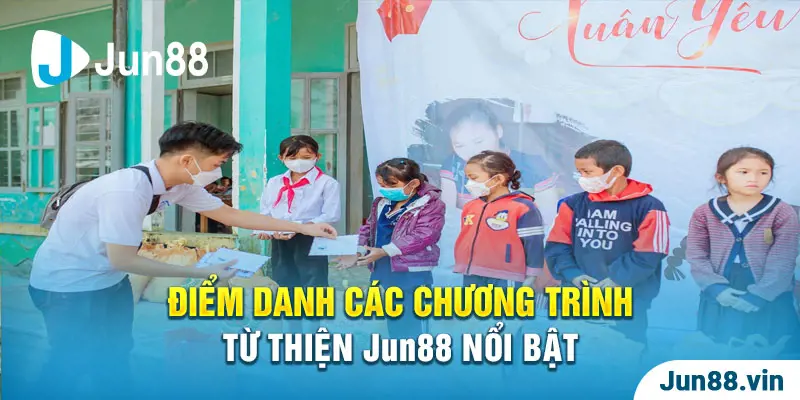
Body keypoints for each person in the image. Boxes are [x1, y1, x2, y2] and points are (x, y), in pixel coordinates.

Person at [27, 121, 337, 399]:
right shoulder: (126, 190)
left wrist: (303, 227)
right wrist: (203, 272)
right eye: (217, 163)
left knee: (116, 355)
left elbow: (230, 215)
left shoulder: (179, 186)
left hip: (109, 282)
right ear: (187, 160)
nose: (219, 172)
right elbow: (123, 259)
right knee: (70, 363)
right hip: (67, 287)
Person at [545, 140, 669, 344]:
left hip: (627, 300)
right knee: (570, 353)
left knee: (624, 355)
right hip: (575, 296)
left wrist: (617, 279)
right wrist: (573, 275)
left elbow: (650, 253)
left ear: (617, 171)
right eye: (579, 172)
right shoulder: (572, 204)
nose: (582, 178)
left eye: (587, 172)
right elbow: (557, 245)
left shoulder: (650, 207)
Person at [686, 147, 800, 347]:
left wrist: (762, 294)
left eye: (763, 172)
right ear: (721, 178)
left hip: (770, 292)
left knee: (770, 350)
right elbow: (696, 255)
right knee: (718, 349)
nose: (754, 178)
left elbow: (783, 258)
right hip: (721, 290)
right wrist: (715, 288)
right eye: (744, 172)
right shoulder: (704, 213)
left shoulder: (781, 212)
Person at [341, 158, 446, 338]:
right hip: (384, 269)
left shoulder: (430, 204)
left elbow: (424, 235)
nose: (386, 189)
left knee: (411, 321)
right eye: (382, 185)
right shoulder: (382, 202)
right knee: (394, 317)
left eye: (391, 185)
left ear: (413, 183)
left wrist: (384, 251)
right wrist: (358, 251)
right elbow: (369, 228)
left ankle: (413, 353)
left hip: (411, 273)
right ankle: (398, 349)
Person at [255, 134, 341, 333]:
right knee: (284, 280)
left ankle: (314, 332)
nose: (299, 162)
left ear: (317, 156)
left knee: (314, 284)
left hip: (311, 239)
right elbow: (265, 211)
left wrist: (302, 227)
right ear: (281, 158)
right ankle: (292, 331)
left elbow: (331, 214)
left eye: (306, 157)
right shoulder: (274, 182)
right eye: (292, 158)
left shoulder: (327, 183)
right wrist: (268, 230)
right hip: (280, 238)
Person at [439, 101, 560, 222]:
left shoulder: (533, 165)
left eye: (478, 141)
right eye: (459, 145)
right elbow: (448, 215)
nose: (471, 151)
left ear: (498, 131)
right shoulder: (453, 165)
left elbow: (548, 219)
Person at [453, 151, 548, 290]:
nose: (469, 184)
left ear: (498, 179)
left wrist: (532, 274)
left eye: (474, 178)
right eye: (467, 178)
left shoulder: (523, 207)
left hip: (507, 276)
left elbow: (533, 242)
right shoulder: (470, 206)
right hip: (472, 273)